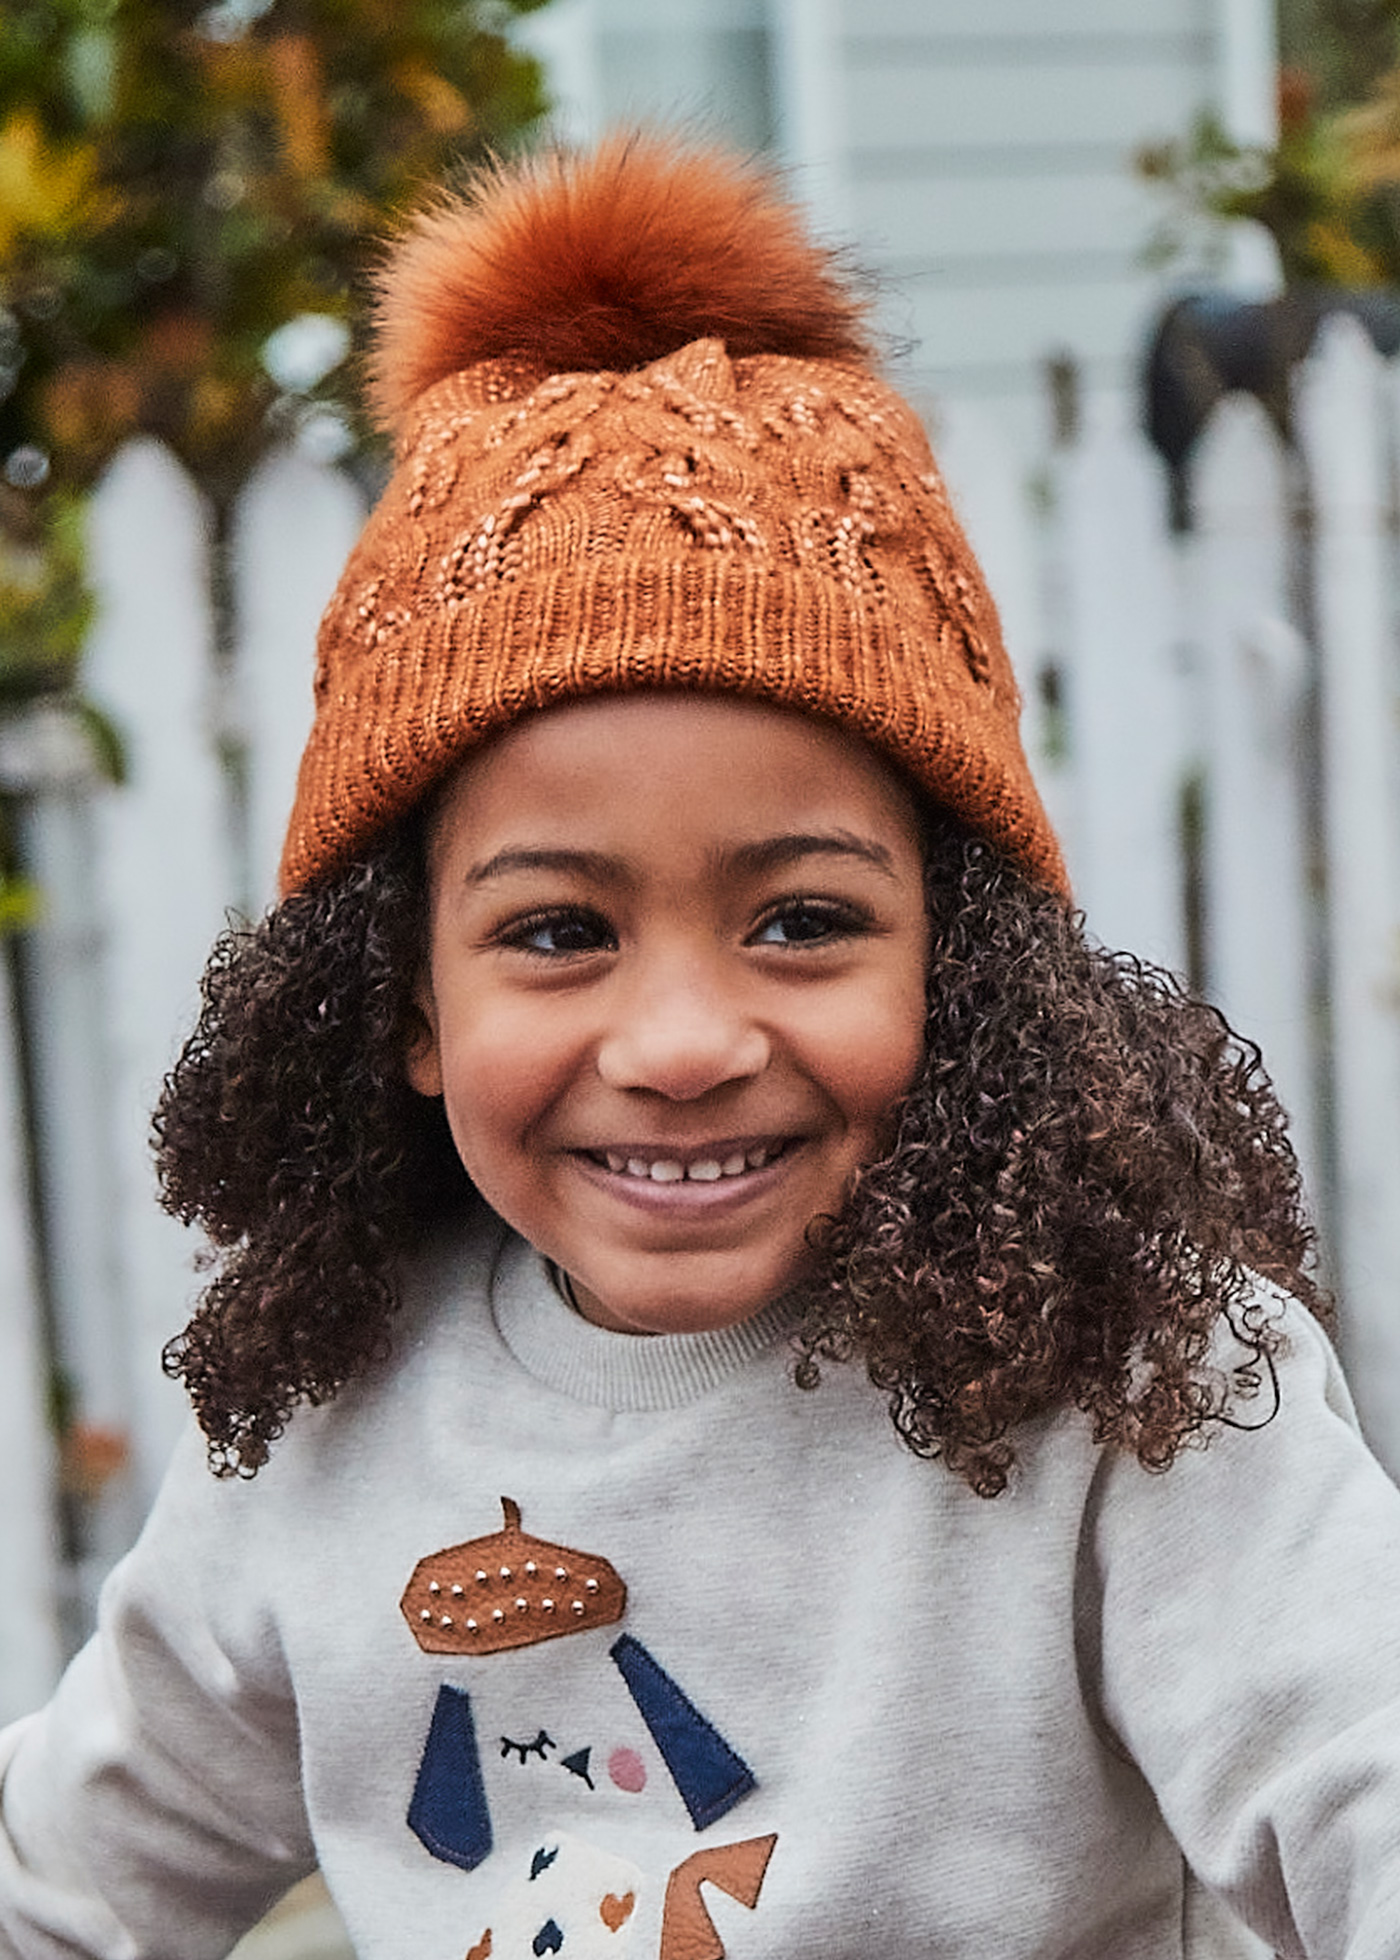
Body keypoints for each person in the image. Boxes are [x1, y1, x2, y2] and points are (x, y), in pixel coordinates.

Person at [2, 131, 1399, 1960]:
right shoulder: (332, 1403)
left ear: (959, 966)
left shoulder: (1138, 1378)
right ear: (408, 1005)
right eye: (558, 933)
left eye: (804, 921)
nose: (677, 1042)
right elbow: (73, 1880)